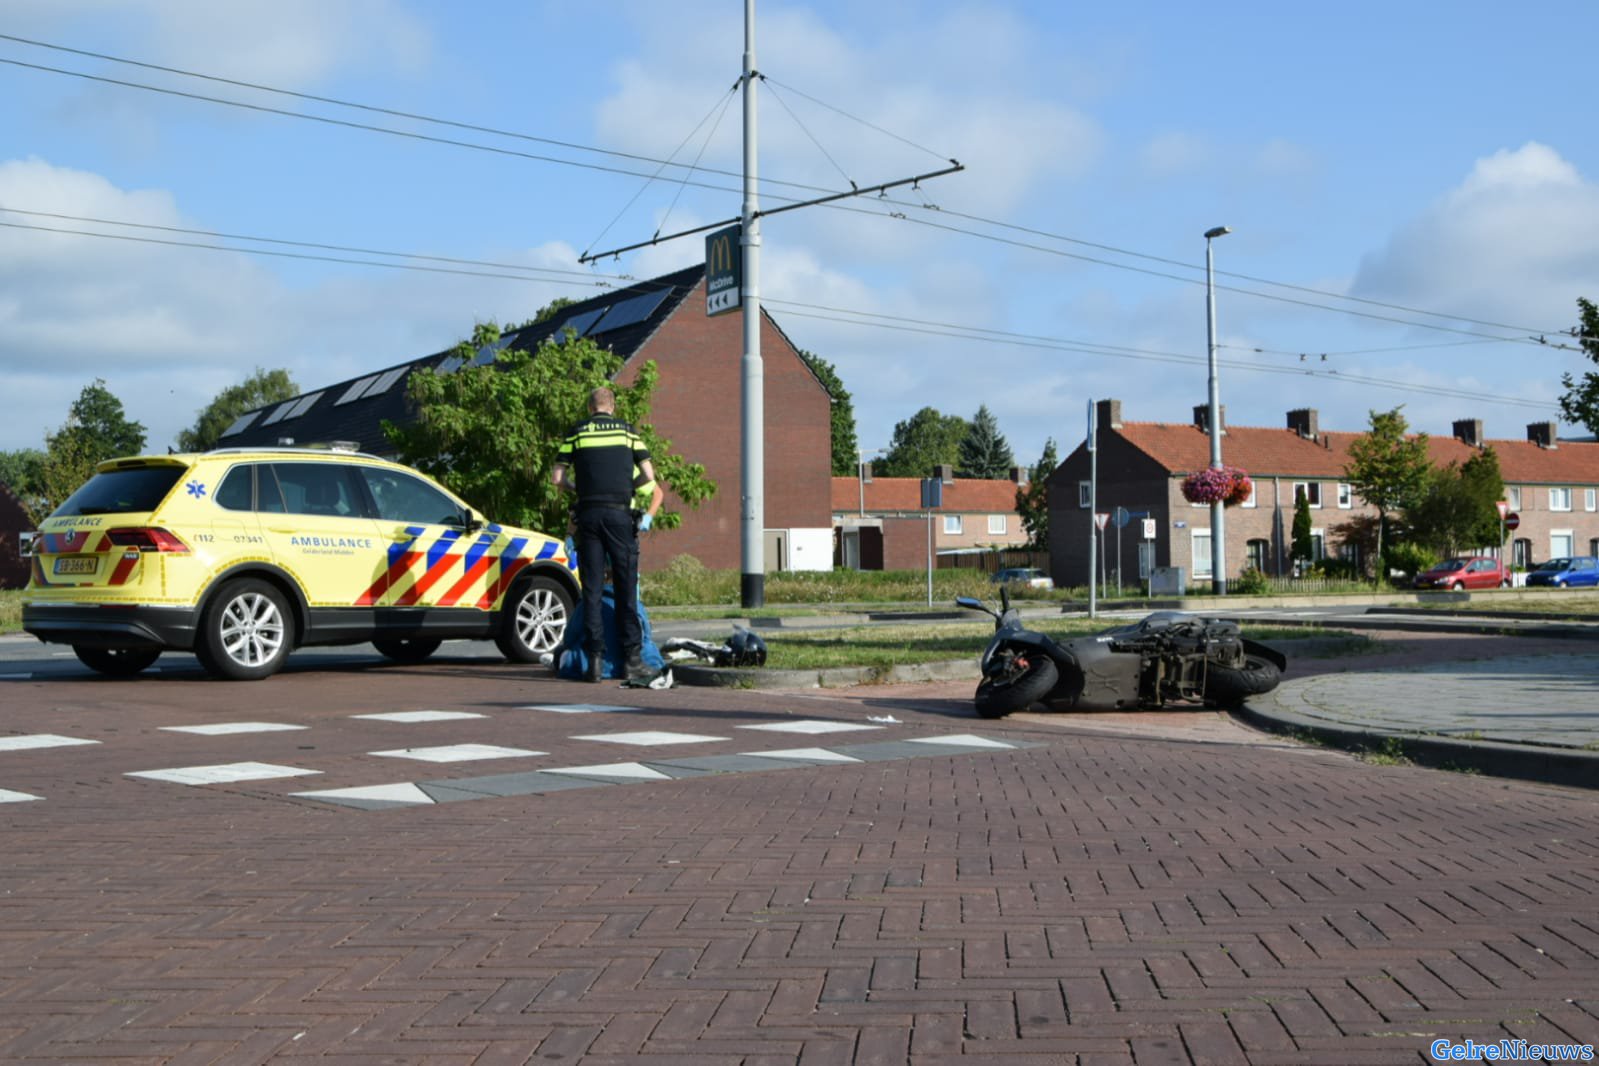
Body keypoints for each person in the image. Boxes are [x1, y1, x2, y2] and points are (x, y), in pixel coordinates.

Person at [551, 386, 663, 683]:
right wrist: (627, 488)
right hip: (619, 515)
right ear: (612, 407)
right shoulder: (628, 433)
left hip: (588, 516)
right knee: (626, 587)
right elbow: (650, 477)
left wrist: (581, 490)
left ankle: (594, 663)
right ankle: (632, 661)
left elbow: (557, 478)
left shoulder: (576, 433)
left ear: (590, 408)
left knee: (591, 590)